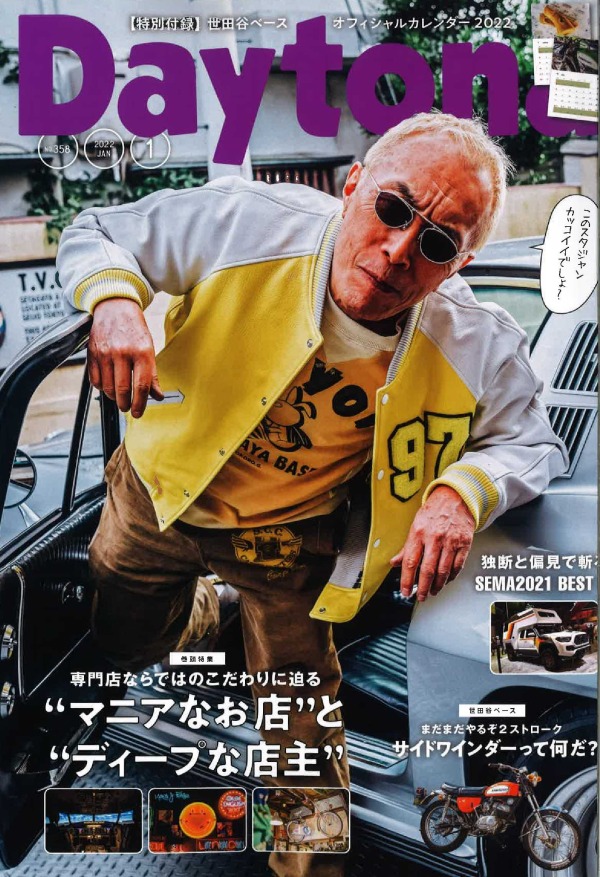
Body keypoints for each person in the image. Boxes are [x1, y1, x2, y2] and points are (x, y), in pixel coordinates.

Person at [57, 112, 567, 877]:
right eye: (393, 208)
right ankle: (212, 616)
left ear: (458, 265)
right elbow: (97, 229)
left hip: (290, 535)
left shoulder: (478, 339)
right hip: (159, 490)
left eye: (436, 243)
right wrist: (114, 301)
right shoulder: (247, 221)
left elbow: (533, 441)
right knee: (129, 637)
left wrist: (461, 492)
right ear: (353, 184)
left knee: (303, 730)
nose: (398, 252)